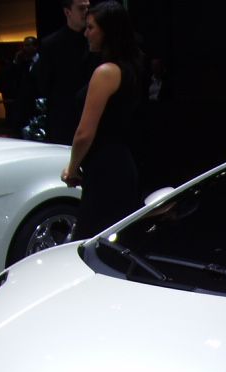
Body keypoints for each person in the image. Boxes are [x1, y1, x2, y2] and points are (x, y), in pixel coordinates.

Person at [62, 1, 143, 239]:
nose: (86, 33)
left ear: (108, 31)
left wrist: (72, 168)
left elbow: (84, 133)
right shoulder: (130, 67)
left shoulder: (106, 72)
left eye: (91, 28)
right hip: (120, 165)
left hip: (104, 169)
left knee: (90, 243)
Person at [37, 0, 93, 144]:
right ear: (67, 12)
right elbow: (44, 83)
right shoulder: (51, 44)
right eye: (81, 8)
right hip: (64, 118)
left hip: (93, 114)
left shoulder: (96, 39)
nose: (87, 12)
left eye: (88, 7)